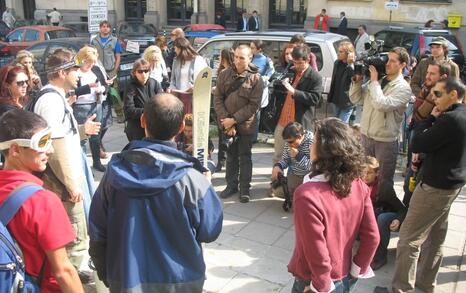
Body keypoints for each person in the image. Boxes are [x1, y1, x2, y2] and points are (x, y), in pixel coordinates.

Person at [89, 93, 223, 292]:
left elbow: (97, 232)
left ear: (143, 120)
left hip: (127, 279)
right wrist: (207, 187)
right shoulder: (193, 180)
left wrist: (106, 273)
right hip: (180, 281)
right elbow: (210, 230)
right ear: (180, 128)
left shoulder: (113, 175)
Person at [376, 78, 466, 293]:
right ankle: (426, 284)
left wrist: (430, 119)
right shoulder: (461, 115)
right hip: (451, 185)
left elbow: (417, 142)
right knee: (435, 237)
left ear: (453, 94)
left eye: (437, 94)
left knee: (409, 238)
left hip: (435, 187)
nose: (433, 99)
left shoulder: (450, 119)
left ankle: (400, 288)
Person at [32, 48, 101, 284]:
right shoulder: (51, 100)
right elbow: (53, 147)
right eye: (74, 69)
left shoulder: (56, 97)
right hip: (61, 185)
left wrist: (83, 131)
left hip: (63, 182)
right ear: (62, 72)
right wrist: (72, 185)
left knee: (75, 238)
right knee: (74, 239)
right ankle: (69, 284)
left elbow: (62, 135)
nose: (79, 74)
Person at [288, 118, 379, 293]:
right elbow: (372, 237)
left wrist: (319, 287)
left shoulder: (307, 195)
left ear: (324, 151)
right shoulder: (359, 184)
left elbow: (317, 252)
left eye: (314, 141)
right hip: (344, 274)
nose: (310, 145)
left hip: (315, 281)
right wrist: (356, 270)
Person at [0, 109, 84, 292]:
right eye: (43, 142)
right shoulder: (43, 201)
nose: (51, 150)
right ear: (15, 149)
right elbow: (63, 271)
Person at [349, 47, 412, 188]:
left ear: (402, 65)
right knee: (362, 177)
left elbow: (381, 105)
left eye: (392, 61)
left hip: (385, 141)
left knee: (383, 182)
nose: (387, 63)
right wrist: (357, 82)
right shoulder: (378, 81)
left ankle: (382, 208)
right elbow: (356, 98)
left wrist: (374, 81)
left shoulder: (403, 88)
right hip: (366, 137)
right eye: (387, 59)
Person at [214, 44, 263, 203]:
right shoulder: (224, 74)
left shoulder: (256, 78)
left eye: (241, 57)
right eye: (235, 56)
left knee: (245, 157)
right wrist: (226, 121)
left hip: (246, 125)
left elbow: (253, 105)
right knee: (231, 156)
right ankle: (231, 185)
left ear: (250, 58)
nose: (237, 60)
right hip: (227, 124)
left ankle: (244, 189)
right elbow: (218, 99)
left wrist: (234, 120)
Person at [271, 45, 323, 168]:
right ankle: (276, 184)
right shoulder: (291, 71)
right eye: (294, 62)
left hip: (299, 123)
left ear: (307, 60)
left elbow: (315, 99)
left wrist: (294, 92)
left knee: (297, 157)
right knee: (278, 155)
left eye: (300, 63)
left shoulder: (315, 77)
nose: (297, 66)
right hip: (283, 120)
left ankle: (293, 184)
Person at [361, 157, 407, 271]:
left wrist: (398, 220)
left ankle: (381, 257)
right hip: (369, 216)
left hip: (387, 215)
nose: (366, 176)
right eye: (363, 172)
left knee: (381, 218)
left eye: (370, 173)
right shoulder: (359, 183)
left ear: (377, 173)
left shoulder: (384, 188)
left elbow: (402, 209)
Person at [73, 46, 107, 172]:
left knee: (96, 136)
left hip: (96, 104)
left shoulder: (96, 70)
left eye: (93, 62)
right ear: (82, 59)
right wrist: (88, 87)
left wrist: (101, 89)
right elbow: (73, 92)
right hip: (81, 107)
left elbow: (105, 85)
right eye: (88, 62)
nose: (90, 65)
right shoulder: (75, 72)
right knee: (82, 137)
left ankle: (96, 162)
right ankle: (82, 166)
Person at [123, 58, 163, 141]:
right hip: (137, 125)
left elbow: (161, 104)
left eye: (146, 71)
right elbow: (129, 110)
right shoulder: (130, 86)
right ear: (134, 73)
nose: (143, 74)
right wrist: (148, 111)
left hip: (154, 125)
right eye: (140, 71)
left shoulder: (155, 83)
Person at [272, 122, 313, 198]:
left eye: (291, 142)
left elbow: (314, 166)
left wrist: (298, 156)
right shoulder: (289, 143)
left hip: (309, 177)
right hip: (295, 175)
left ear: (300, 136)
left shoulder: (311, 142)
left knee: (303, 195)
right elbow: (286, 159)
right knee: (277, 190)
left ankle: (300, 196)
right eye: (287, 142)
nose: (288, 144)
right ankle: (296, 195)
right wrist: (278, 166)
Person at [168, 37, 208, 113]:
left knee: (190, 122)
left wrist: (194, 87)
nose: (175, 51)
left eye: (176, 48)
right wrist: (171, 89)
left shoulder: (198, 60)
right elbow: (172, 80)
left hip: (193, 98)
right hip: (178, 98)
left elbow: (204, 79)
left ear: (181, 48)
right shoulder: (176, 61)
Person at [250, 39, 274, 142]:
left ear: (259, 49)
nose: (250, 50)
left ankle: (253, 137)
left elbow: (271, 72)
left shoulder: (266, 60)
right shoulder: (250, 58)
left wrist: (265, 79)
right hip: (247, 89)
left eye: (252, 48)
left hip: (258, 90)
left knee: (256, 115)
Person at [214, 48, 234, 172]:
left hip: (227, 108)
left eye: (221, 57)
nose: (219, 59)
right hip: (220, 108)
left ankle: (225, 161)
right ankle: (221, 161)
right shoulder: (221, 70)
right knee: (222, 135)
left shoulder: (230, 71)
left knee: (227, 136)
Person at [328, 41, 356, 123]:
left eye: (340, 52)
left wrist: (350, 64)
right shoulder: (337, 63)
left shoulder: (354, 65)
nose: (338, 53)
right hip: (336, 99)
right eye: (338, 51)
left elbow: (353, 78)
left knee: (342, 126)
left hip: (347, 102)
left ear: (348, 53)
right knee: (335, 124)